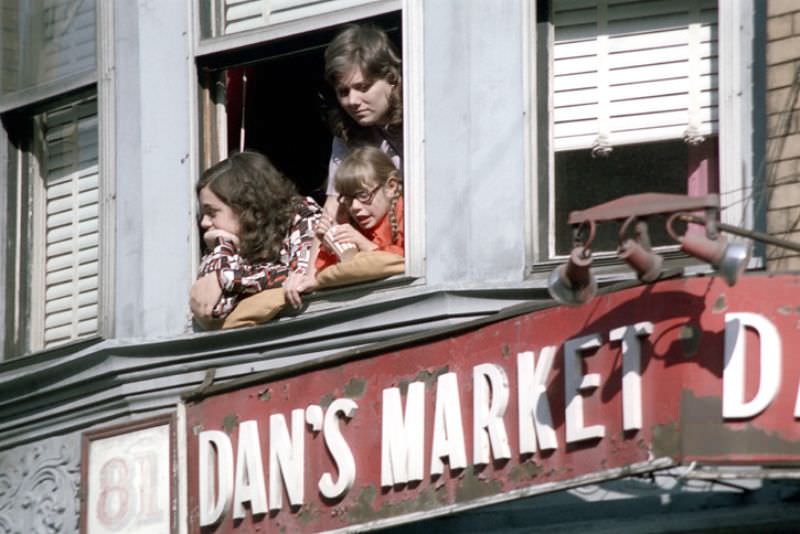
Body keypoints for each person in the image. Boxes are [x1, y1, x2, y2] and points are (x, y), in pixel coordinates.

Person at [190, 151, 321, 328]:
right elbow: (214, 309)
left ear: (245, 206)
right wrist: (223, 247)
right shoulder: (226, 241)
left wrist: (226, 278)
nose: (204, 223)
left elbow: (298, 277)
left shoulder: (303, 214)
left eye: (212, 213)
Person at [323, 23, 403, 219]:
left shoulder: (421, 118)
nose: (352, 101)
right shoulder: (346, 133)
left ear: (392, 79)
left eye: (363, 87)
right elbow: (334, 208)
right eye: (344, 92)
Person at [315, 146, 403, 272]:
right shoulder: (355, 226)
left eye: (363, 195)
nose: (354, 207)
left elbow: (408, 261)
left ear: (391, 187)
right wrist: (333, 247)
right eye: (348, 198)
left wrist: (364, 244)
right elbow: (326, 275)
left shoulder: (409, 218)